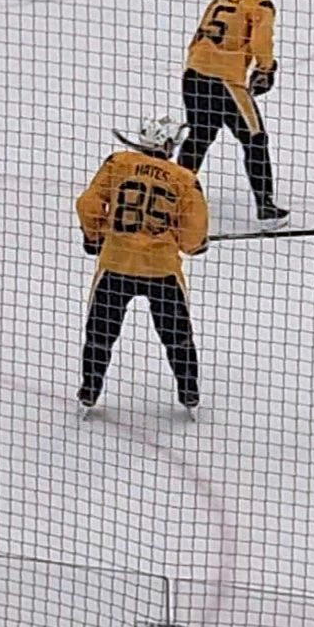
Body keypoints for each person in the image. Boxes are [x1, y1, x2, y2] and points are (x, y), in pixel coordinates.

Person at [75, 116, 209, 418]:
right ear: (168, 145)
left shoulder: (118, 163)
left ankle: (89, 392)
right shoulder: (185, 179)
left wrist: (94, 236)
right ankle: (189, 394)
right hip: (160, 270)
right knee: (177, 335)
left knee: (100, 333)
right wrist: (196, 245)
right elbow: (193, 235)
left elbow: (88, 204)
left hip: (116, 264)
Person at [178, 0, 289, 226]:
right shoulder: (260, 6)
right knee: (255, 139)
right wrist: (266, 68)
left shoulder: (219, 0)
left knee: (200, 135)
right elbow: (262, 41)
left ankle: (174, 196)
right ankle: (266, 208)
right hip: (225, 80)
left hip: (193, 75)